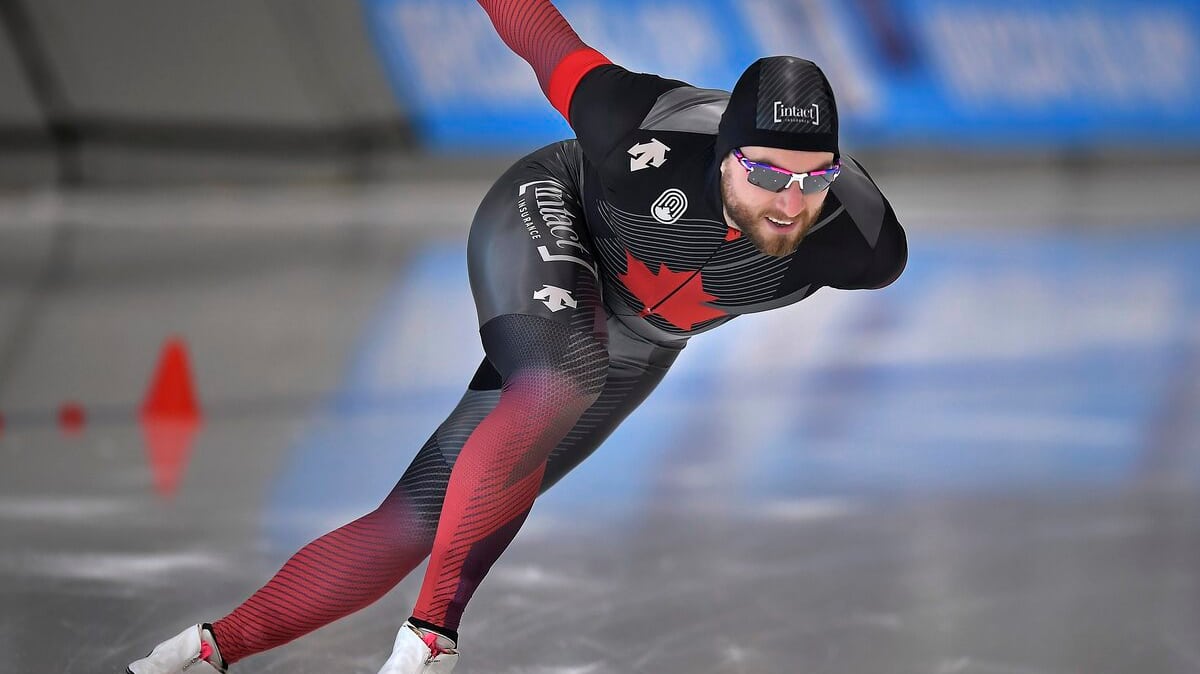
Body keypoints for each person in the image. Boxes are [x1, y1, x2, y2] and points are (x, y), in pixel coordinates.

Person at [125, 0, 907, 672]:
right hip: (551, 209)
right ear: (722, 156)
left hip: (643, 340)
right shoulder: (640, 128)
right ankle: (432, 638)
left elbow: (821, 210)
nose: (787, 202)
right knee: (560, 378)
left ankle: (205, 652)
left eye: (813, 179)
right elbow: (539, 34)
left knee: (429, 519)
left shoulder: (862, 242)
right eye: (766, 173)